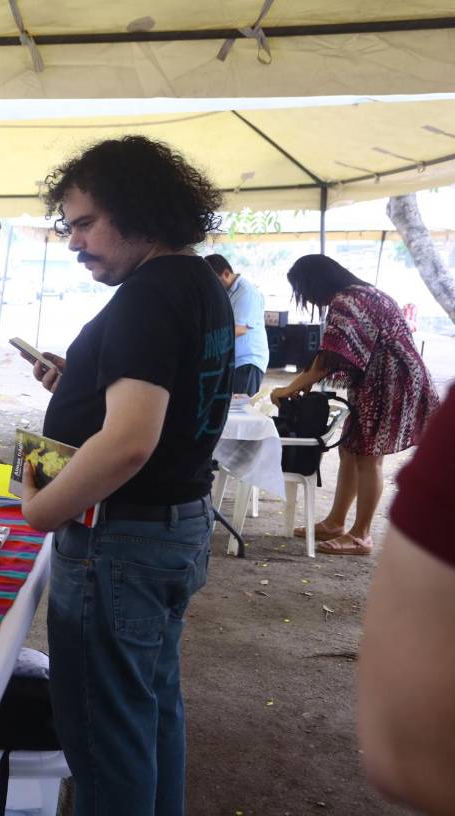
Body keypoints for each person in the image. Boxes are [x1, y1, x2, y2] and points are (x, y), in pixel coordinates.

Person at [18, 135, 232, 816]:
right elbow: (165, 401)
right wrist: (83, 380)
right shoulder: (198, 282)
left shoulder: (147, 296)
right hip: (171, 527)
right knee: (148, 711)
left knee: (104, 739)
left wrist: (41, 511)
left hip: (120, 541)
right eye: (68, 227)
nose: (75, 243)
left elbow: (129, 443)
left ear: (139, 212)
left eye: (85, 224)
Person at [269, 254, 438, 555]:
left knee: (368, 458)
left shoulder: (348, 301)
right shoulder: (365, 294)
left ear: (315, 283)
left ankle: (361, 535)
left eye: (303, 291)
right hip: (381, 383)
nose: (307, 299)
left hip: (391, 385)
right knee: (350, 450)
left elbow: (330, 359)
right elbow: (332, 356)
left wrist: (290, 387)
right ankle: (336, 523)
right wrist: (300, 383)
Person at [357, 387, 455, 814]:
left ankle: (357, 531)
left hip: (382, 395)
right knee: (363, 456)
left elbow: (410, 751)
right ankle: (352, 528)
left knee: (367, 456)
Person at [205, 253, 268, 395]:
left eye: (214, 281)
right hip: (232, 362)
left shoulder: (247, 293)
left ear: (226, 274)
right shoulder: (226, 293)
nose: (212, 286)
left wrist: (206, 343)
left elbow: (239, 329)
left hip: (247, 361)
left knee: (240, 406)